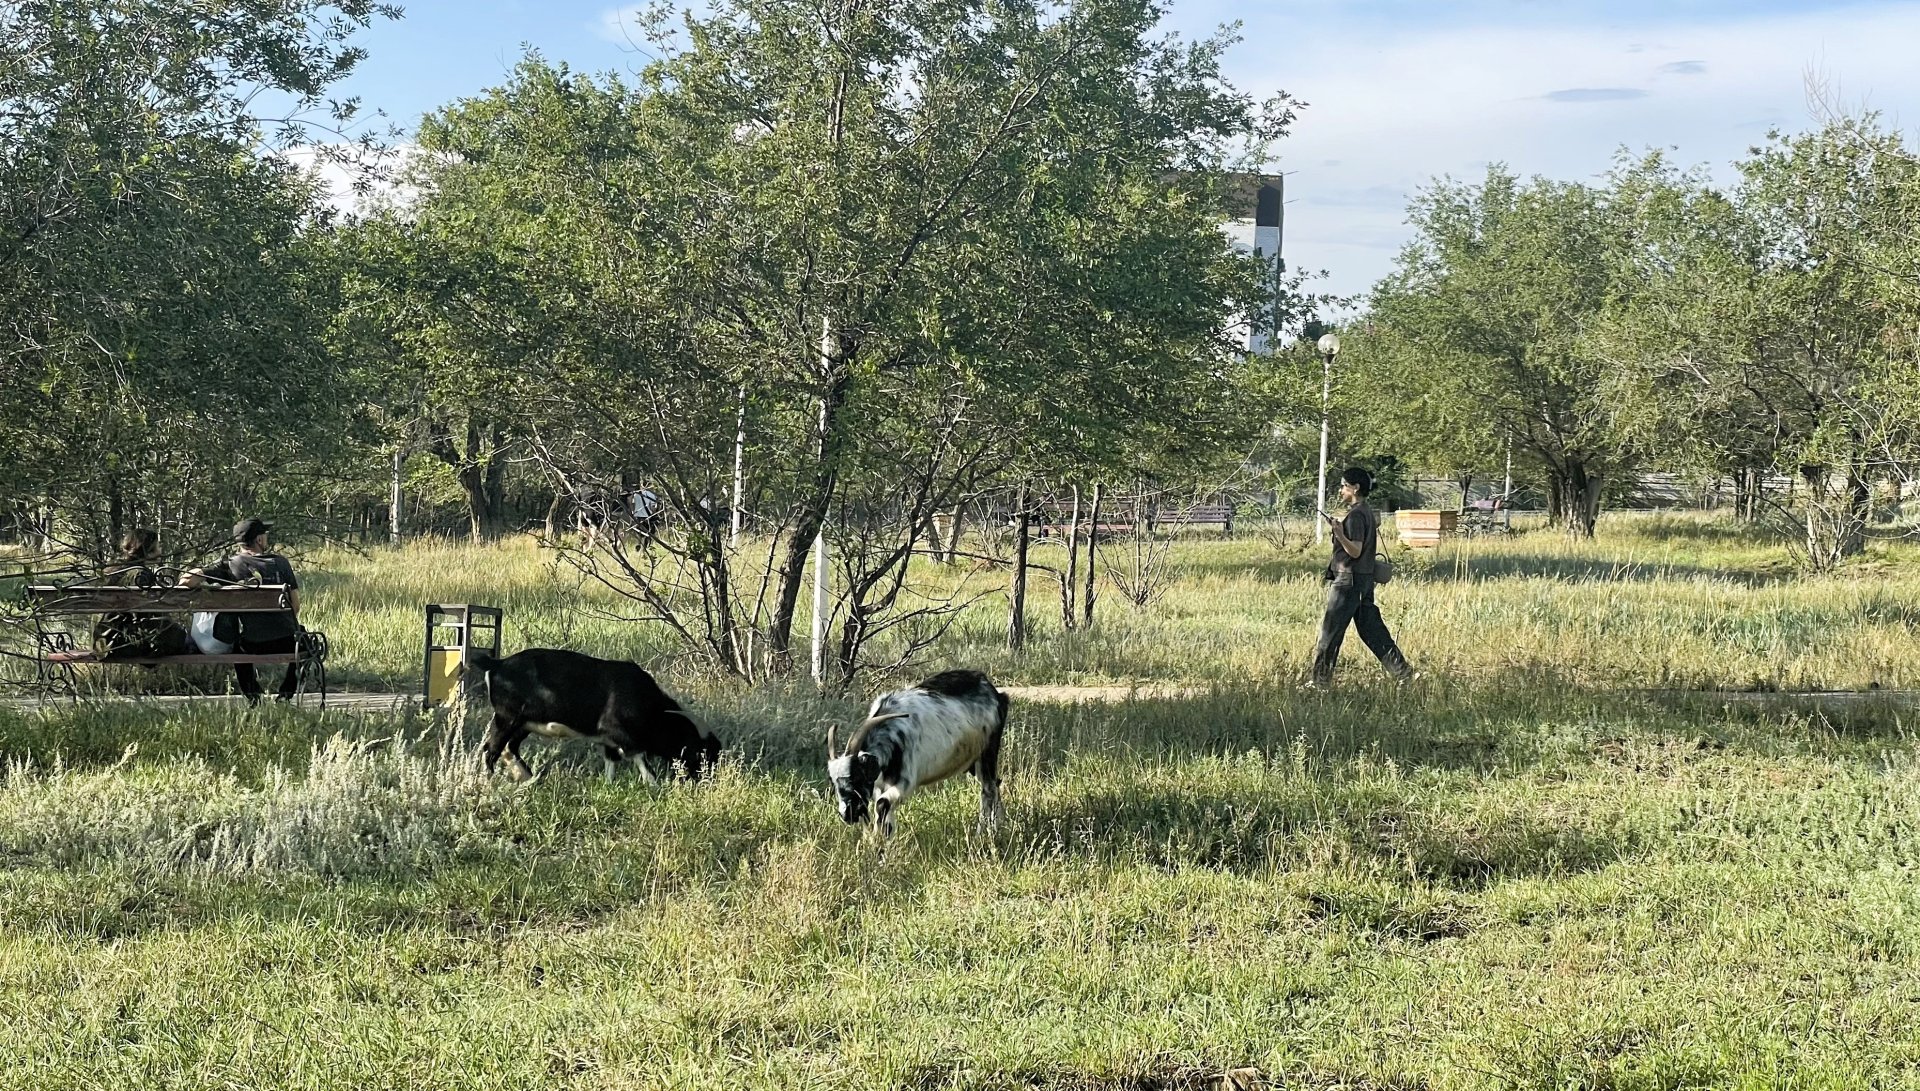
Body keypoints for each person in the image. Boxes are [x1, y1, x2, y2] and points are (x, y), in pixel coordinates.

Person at [1309, 467, 1413, 687]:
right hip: (1364, 580)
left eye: (1344, 486)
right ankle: (1403, 673)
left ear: (1355, 488)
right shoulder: (1366, 510)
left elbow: (1354, 551)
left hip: (1348, 582)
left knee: (1331, 633)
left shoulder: (1356, 515)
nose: (1341, 490)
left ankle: (1319, 683)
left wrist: (1338, 532)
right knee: (1372, 631)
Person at [180, 517, 303, 703]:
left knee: (238, 646)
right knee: (305, 640)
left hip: (253, 643)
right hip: (287, 641)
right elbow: (296, 606)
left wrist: (199, 572)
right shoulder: (281, 563)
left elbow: (188, 581)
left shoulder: (230, 565)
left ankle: (254, 697)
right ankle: (286, 693)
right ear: (259, 540)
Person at [93, 528, 194, 659]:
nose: (160, 551)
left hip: (100, 641)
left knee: (170, 630)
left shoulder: (113, 570)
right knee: (173, 632)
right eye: (157, 547)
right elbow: (146, 613)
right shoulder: (140, 575)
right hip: (117, 644)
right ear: (148, 551)